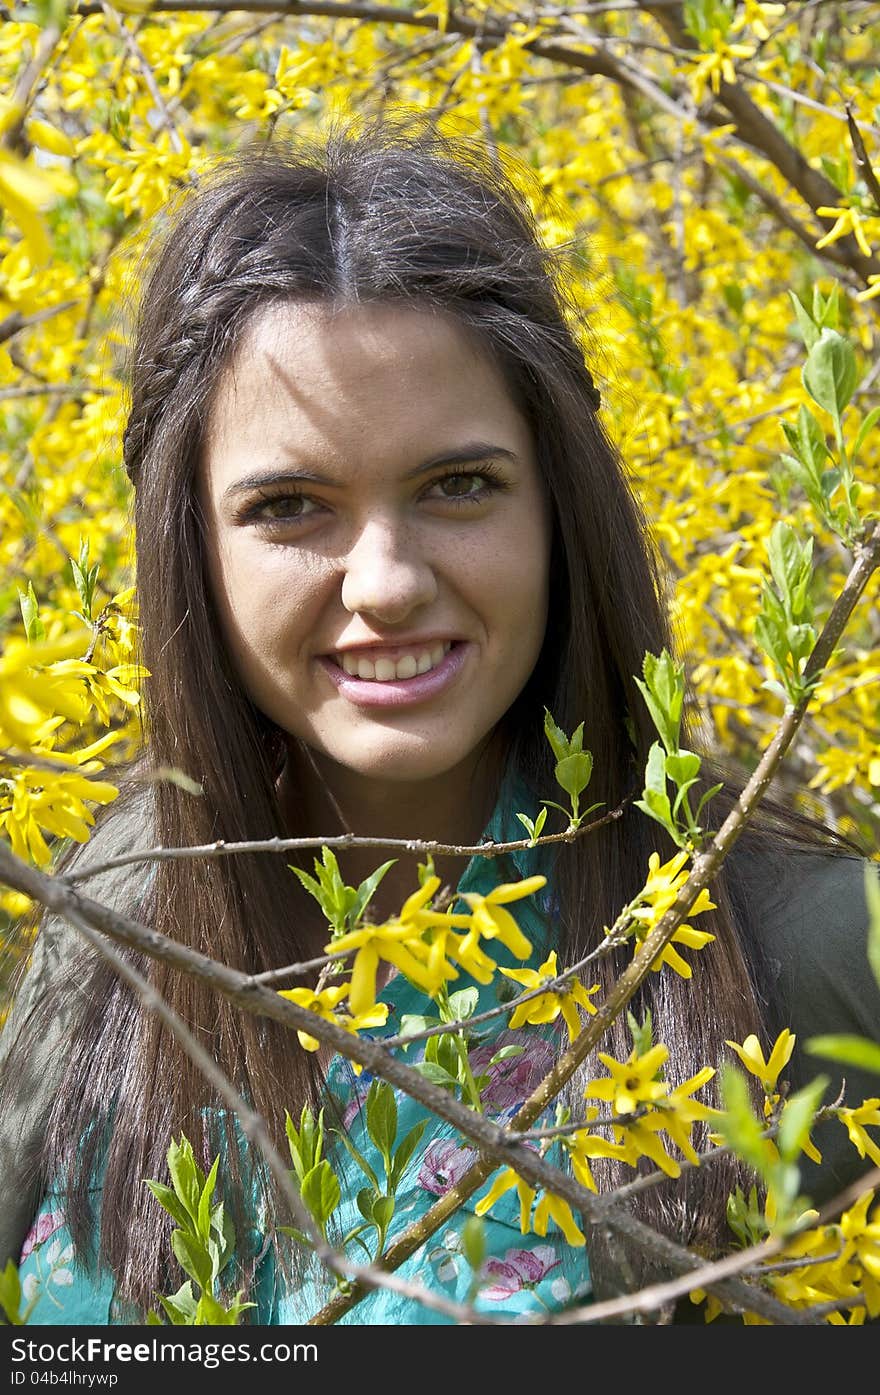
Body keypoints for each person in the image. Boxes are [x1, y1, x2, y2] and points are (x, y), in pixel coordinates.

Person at [1, 114, 878, 1328]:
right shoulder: (115, 907)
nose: (385, 584)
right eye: (290, 505)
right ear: (190, 547)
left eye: (458, 485)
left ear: (558, 508)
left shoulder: (823, 955)